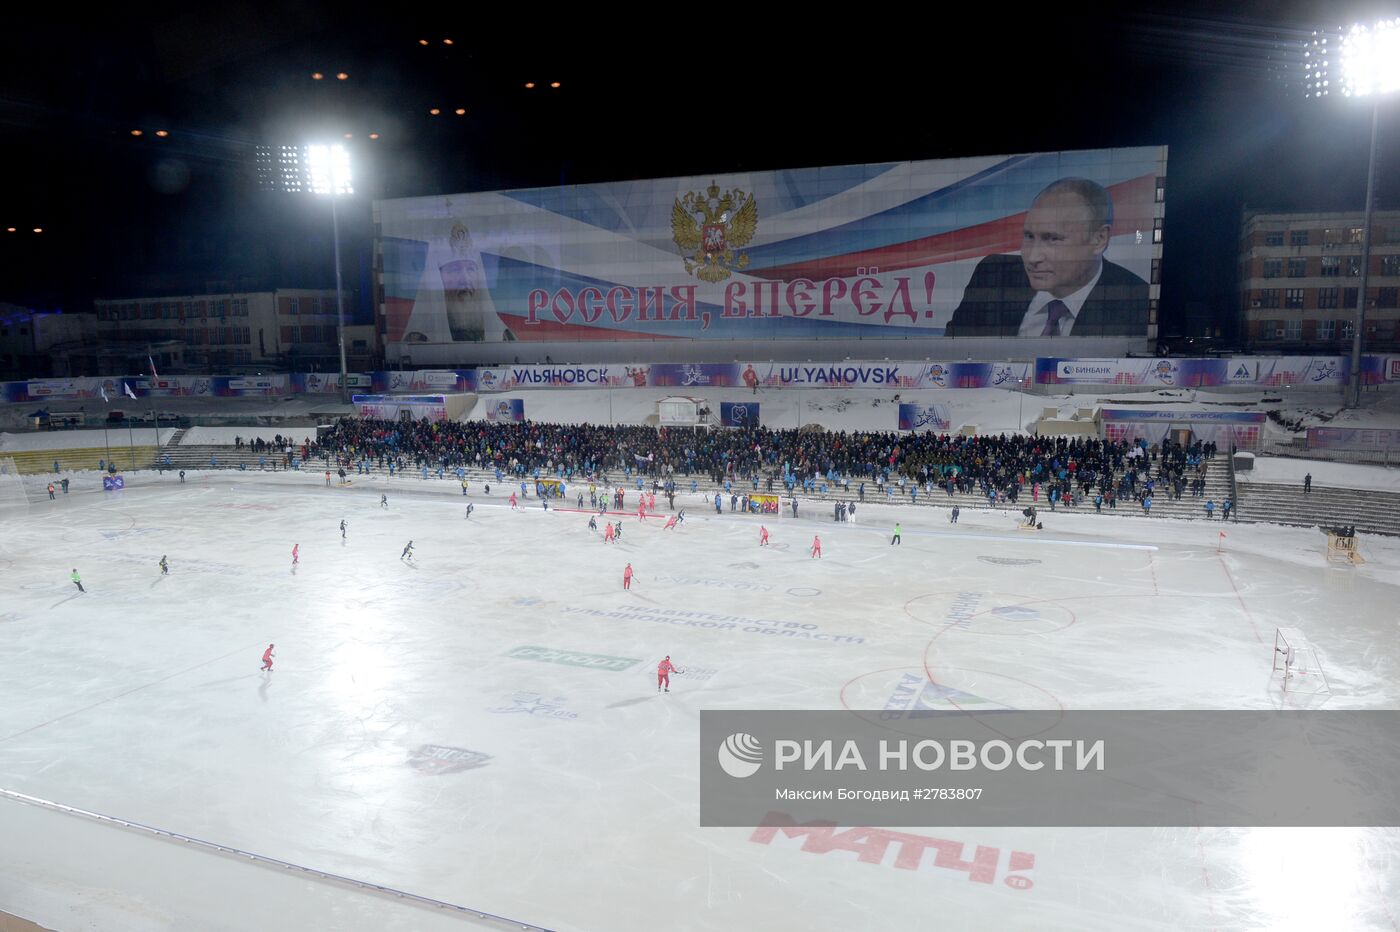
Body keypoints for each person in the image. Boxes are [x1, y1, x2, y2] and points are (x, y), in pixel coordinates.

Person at [946, 177, 1149, 337]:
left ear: (1099, 239)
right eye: (1029, 236)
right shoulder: (992, 275)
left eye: (1052, 239)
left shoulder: (1137, 300)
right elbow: (951, 356)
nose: (1032, 257)